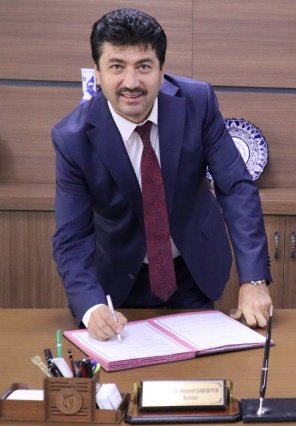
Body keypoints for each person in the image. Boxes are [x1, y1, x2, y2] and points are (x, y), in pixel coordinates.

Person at [51, 8, 272, 340]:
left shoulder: (198, 103)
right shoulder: (72, 138)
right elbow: (72, 237)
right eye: (116, 67)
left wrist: (254, 279)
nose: (131, 83)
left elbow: (236, 187)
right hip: (115, 283)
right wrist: (91, 306)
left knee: (197, 367)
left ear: (161, 69)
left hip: (190, 271)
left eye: (144, 66)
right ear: (97, 72)